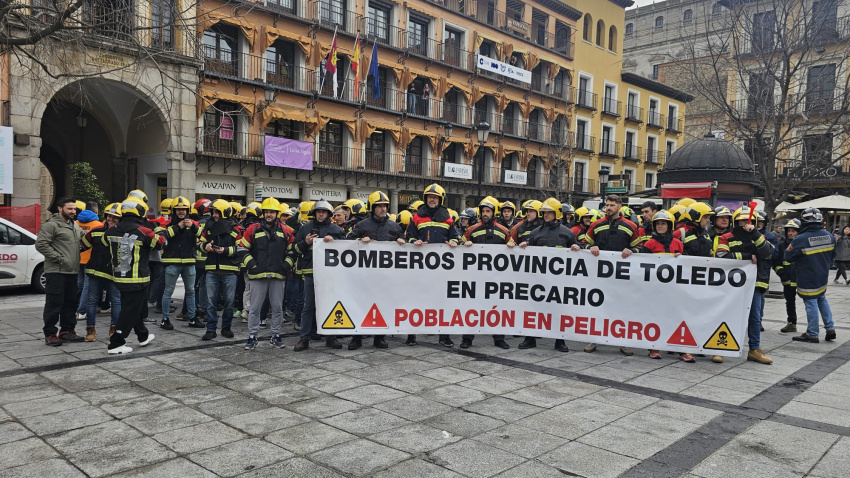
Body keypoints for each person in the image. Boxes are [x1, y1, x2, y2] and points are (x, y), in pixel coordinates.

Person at [399, 183, 461, 346]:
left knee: (443, 302)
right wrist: (414, 241)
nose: (432, 200)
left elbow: (455, 236)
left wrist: (453, 242)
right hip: (420, 269)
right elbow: (409, 236)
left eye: (435, 197)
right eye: (429, 197)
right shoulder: (417, 217)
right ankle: (411, 335)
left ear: (440, 199)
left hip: (441, 269)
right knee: (416, 301)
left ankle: (444, 336)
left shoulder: (448, 218)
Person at [518, 198, 580, 352]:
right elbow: (528, 250)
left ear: (557, 213)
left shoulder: (568, 233)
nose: (545, 215)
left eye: (549, 212)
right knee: (534, 309)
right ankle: (530, 338)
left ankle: (560, 341)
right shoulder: (535, 232)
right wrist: (525, 245)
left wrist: (577, 246)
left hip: (560, 280)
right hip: (538, 279)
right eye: (544, 212)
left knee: (559, 310)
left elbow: (580, 248)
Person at [103, 198, 164, 354]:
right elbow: (160, 243)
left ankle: (142, 336)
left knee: (132, 308)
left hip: (119, 278)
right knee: (129, 311)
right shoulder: (144, 231)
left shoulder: (111, 231)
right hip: (138, 279)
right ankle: (116, 343)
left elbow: (104, 242)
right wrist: (156, 228)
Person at [716, 206, 774, 365]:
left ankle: (754, 350)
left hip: (755, 284)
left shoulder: (759, 237)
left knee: (755, 318)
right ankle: (720, 349)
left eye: (749, 221)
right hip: (732, 285)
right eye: (742, 220)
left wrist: (755, 233)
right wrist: (747, 256)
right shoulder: (726, 237)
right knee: (728, 315)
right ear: (736, 222)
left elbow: (768, 253)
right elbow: (721, 256)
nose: (745, 224)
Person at [584, 194, 641, 356]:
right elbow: (584, 243)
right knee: (597, 306)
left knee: (621, 307)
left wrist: (632, 250)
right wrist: (590, 247)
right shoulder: (596, 225)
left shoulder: (630, 226)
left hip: (621, 276)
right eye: (607, 205)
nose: (608, 208)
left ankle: (623, 342)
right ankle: (593, 339)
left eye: (612, 205)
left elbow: (640, 248)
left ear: (620, 207)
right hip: (599, 275)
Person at [347, 191, 405, 350]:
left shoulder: (394, 226)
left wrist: (402, 241)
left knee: (383, 305)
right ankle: (356, 338)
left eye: (385, 206)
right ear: (372, 208)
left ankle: (380, 338)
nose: (383, 208)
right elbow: (347, 243)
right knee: (360, 305)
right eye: (379, 206)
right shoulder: (362, 225)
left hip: (385, 276)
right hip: (364, 275)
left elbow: (405, 246)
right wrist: (359, 241)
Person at [240, 198, 294, 350]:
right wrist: (252, 265)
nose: (269, 215)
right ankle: (252, 336)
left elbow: (293, 252)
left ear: (277, 213)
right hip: (258, 276)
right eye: (266, 212)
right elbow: (241, 249)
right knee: (255, 309)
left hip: (278, 275)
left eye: (272, 212)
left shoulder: (286, 231)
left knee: (277, 308)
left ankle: (276, 336)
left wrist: (285, 267)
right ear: (263, 213)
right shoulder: (252, 229)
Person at [639, 210, 693, 362]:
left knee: (678, 317)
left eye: (663, 223)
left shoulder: (678, 244)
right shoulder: (649, 244)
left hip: (674, 289)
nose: (660, 226)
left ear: (670, 225)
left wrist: (681, 258)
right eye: (658, 223)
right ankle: (654, 347)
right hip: (655, 289)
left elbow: (686, 265)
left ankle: (682, 350)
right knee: (655, 317)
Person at [290, 199, 344, 351]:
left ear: (328, 213)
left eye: (324, 211)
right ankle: (304, 338)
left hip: (330, 275)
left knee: (331, 305)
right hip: (310, 273)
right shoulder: (305, 228)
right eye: (318, 211)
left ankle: (331, 338)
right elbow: (295, 249)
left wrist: (335, 242)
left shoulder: (336, 229)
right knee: (308, 307)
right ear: (314, 213)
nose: (321, 214)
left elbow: (347, 249)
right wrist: (305, 243)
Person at [461, 197, 512, 350]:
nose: (485, 214)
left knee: (497, 308)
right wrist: (464, 243)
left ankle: (499, 339)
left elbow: (511, 245)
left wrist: (512, 245)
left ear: (494, 213)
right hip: (475, 278)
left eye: (488, 211)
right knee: (473, 308)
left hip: (496, 278)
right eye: (483, 211)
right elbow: (458, 243)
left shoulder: (504, 231)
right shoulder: (472, 230)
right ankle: (467, 339)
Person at [37, 197, 86, 346]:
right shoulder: (51, 225)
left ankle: (67, 331)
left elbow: (82, 241)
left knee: (70, 303)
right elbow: (41, 244)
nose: (73, 211)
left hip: (72, 271)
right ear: (60, 208)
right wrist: (59, 258)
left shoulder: (74, 225)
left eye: (74, 209)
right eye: (69, 208)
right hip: (56, 271)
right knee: (54, 303)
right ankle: (50, 334)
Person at [786, 208, 837, 344]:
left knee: (811, 303)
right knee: (822, 299)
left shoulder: (800, 239)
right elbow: (833, 255)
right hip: (822, 276)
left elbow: (787, 256)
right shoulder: (829, 236)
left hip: (807, 277)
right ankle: (830, 328)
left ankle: (812, 333)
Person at [197, 199, 242, 341]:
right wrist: (205, 247)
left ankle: (226, 328)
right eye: (213, 212)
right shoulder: (208, 227)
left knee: (229, 303)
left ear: (224, 212)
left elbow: (241, 248)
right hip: (211, 270)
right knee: (211, 303)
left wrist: (226, 250)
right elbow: (198, 243)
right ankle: (210, 329)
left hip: (230, 271)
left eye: (217, 212)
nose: (214, 215)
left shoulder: (236, 229)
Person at [80, 202, 122, 341]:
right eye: (109, 216)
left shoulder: (124, 234)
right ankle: (90, 330)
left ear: (121, 219)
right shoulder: (96, 231)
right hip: (95, 270)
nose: (111, 219)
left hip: (113, 273)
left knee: (116, 301)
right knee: (92, 301)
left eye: (115, 217)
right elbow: (83, 245)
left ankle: (114, 329)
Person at [158, 196, 197, 332]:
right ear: (173, 210)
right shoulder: (166, 224)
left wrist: (193, 227)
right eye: (178, 209)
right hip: (171, 263)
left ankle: (192, 318)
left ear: (188, 210)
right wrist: (177, 227)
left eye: (183, 209)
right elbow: (161, 237)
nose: (181, 212)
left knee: (191, 291)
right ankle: (165, 319)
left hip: (189, 263)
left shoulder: (193, 224)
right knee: (168, 291)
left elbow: (203, 235)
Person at [74, 207, 103, 322]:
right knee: (87, 286)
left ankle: (73, 307)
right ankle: (81, 311)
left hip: (77, 256)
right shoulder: (98, 225)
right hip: (90, 259)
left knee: (78, 284)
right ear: (96, 212)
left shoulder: (76, 223)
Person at [187, 199, 212, 328]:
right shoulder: (213, 223)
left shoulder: (195, 223)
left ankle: (191, 310)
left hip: (196, 260)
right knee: (205, 287)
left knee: (193, 287)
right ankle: (205, 310)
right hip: (209, 260)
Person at [776, 219, 801, 333]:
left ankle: (813, 327)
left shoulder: (802, 244)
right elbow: (776, 262)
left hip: (801, 279)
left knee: (810, 303)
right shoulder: (782, 245)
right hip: (788, 280)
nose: (790, 233)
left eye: (793, 231)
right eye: (789, 231)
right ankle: (791, 323)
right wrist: (781, 273)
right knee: (790, 302)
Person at [238, 203, 262, 323]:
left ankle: (246, 310)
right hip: (253, 262)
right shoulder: (255, 226)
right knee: (252, 288)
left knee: (246, 288)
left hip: (243, 261)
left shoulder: (241, 225)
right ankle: (248, 311)